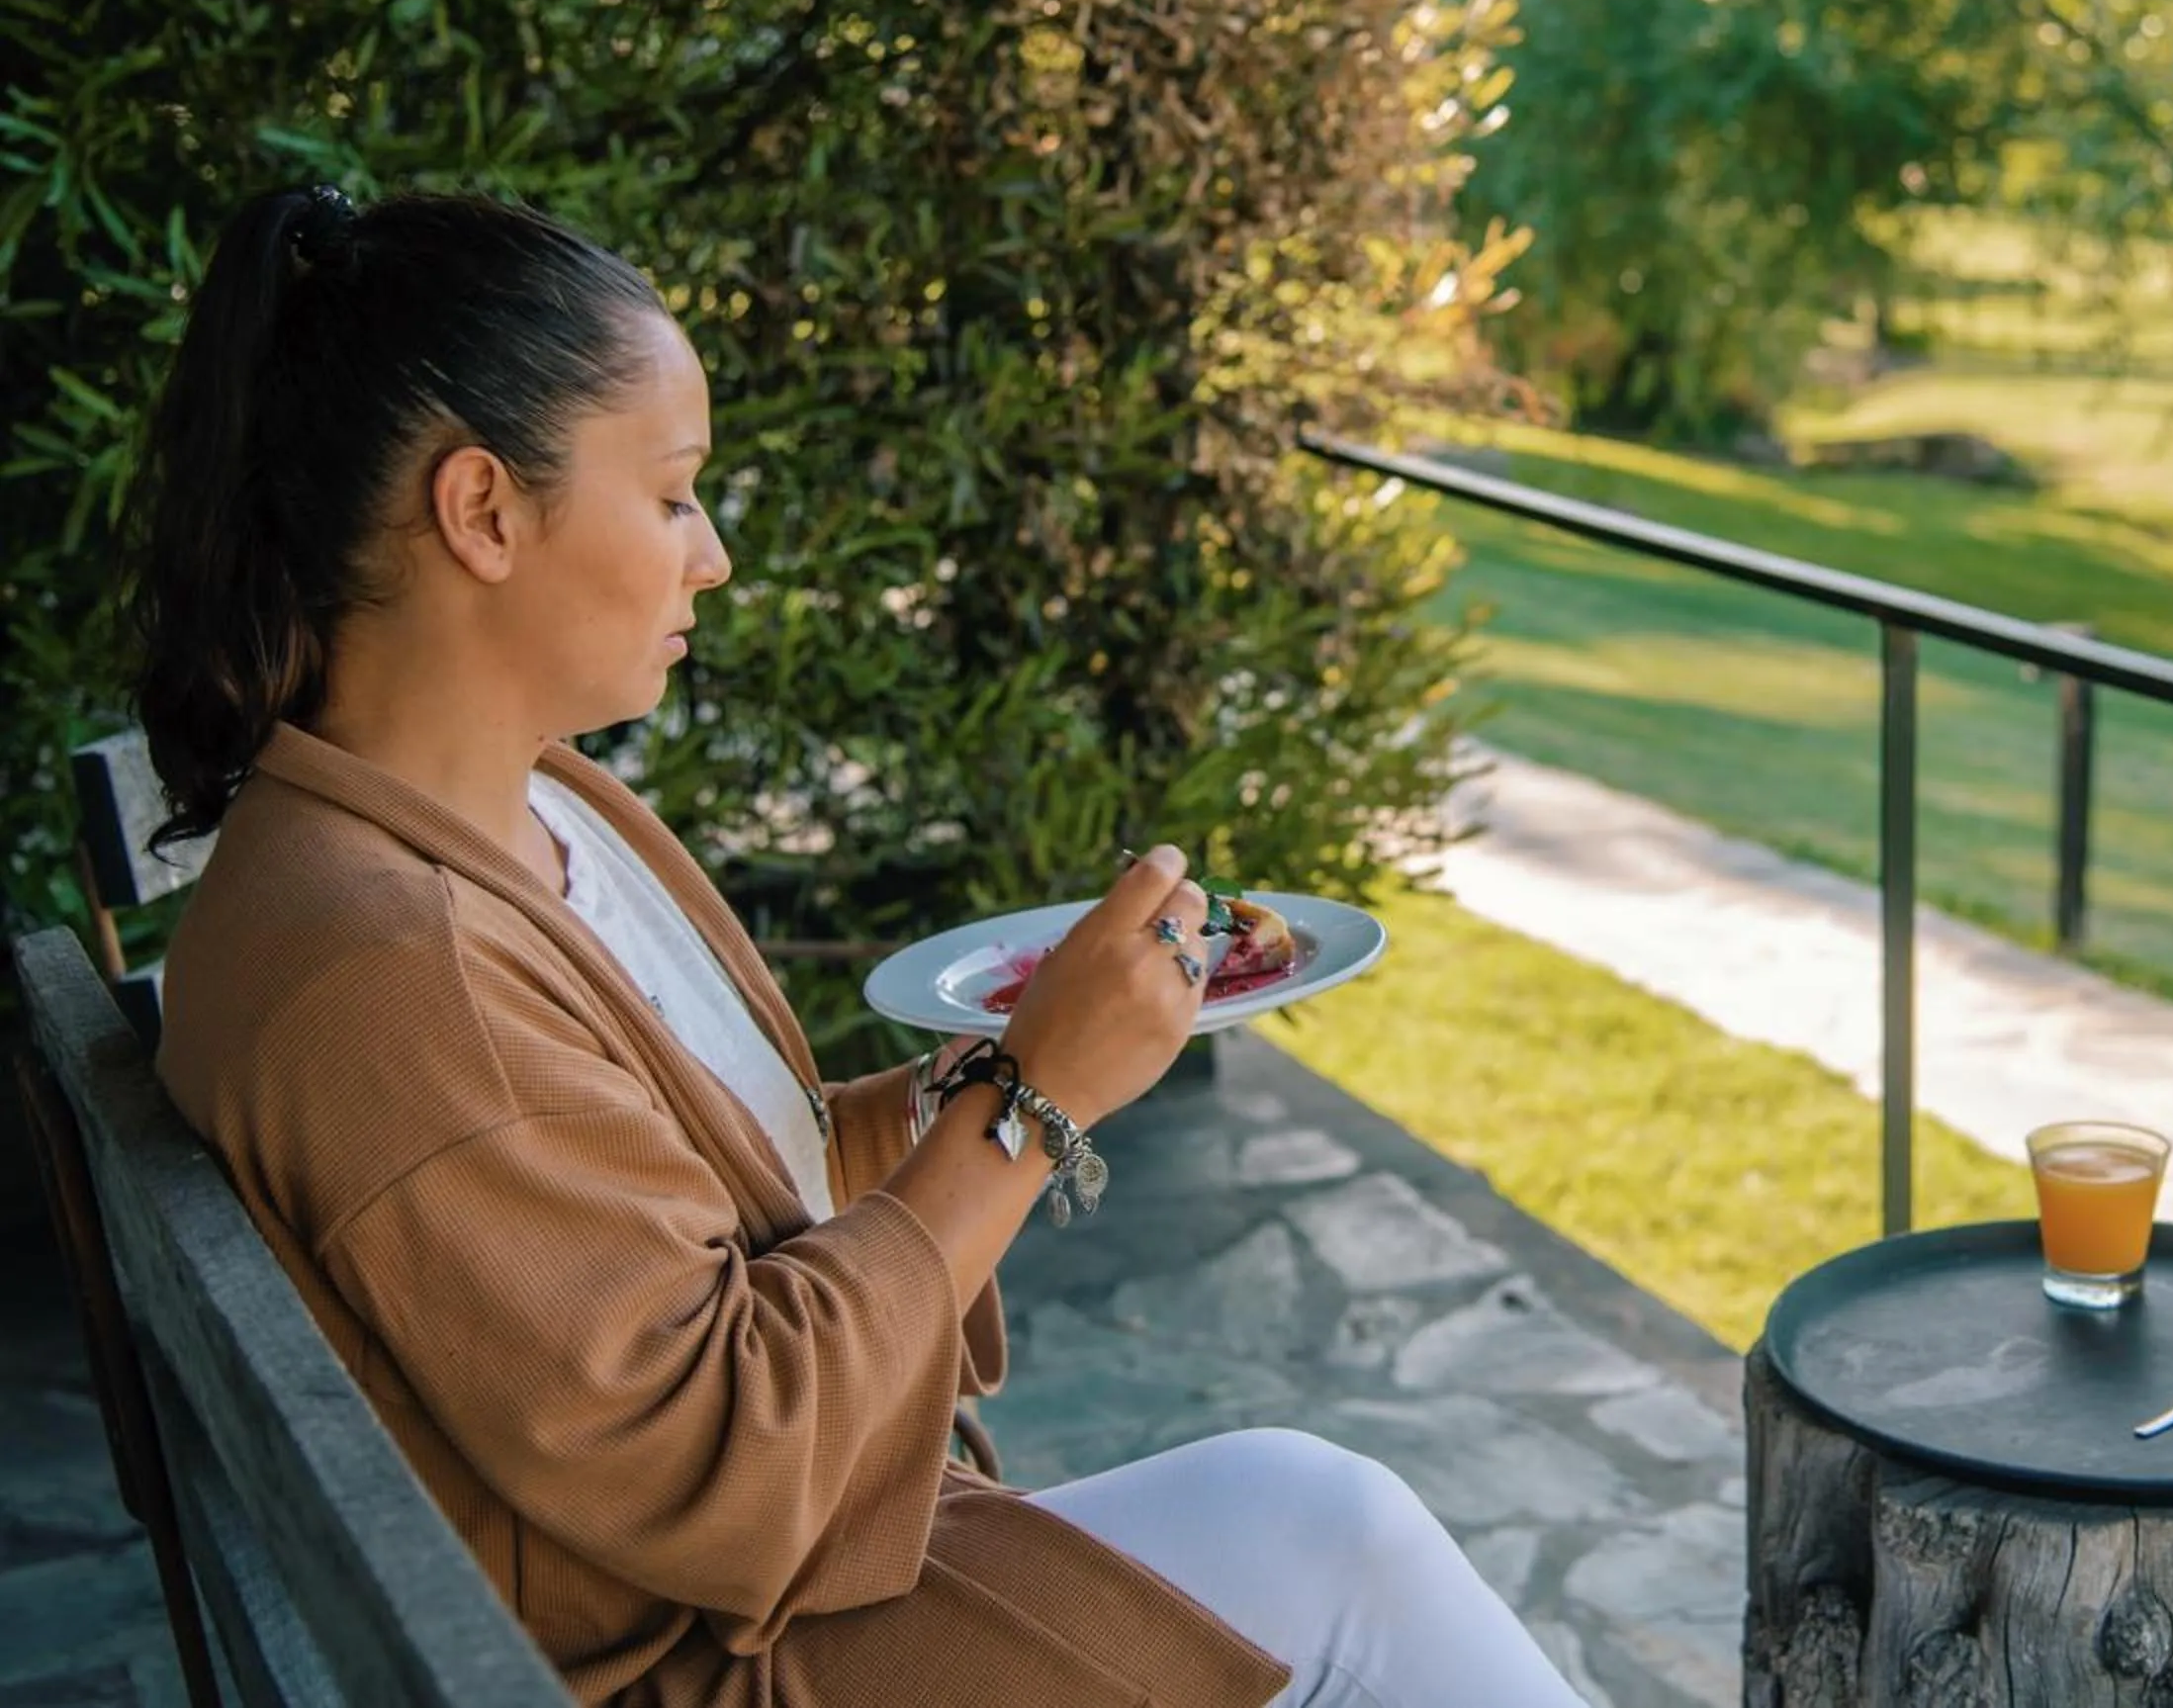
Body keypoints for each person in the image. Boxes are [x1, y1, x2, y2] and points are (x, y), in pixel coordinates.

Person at [130, 186, 1584, 1708]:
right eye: (677, 493)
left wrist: (965, 1086)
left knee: (1330, 1529)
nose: (717, 557)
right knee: (1335, 1541)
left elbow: (667, 1206)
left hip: (717, 1589)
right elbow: (725, 1463)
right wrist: (1026, 1112)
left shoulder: (528, 811)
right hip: (714, 1656)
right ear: (484, 510)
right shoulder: (396, 966)